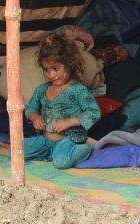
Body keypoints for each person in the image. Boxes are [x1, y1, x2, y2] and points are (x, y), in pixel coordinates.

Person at [24, 31, 101, 169]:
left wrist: (69, 122)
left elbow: (93, 113)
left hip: (68, 140)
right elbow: (30, 108)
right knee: (17, 152)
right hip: (46, 139)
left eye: (55, 69)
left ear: (69, 65)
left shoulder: (78, 90)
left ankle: (87, 148)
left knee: (61, 163)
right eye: (46, 70)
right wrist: (35, 118)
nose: (51, 75)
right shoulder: (42, 90)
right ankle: (52, 152)